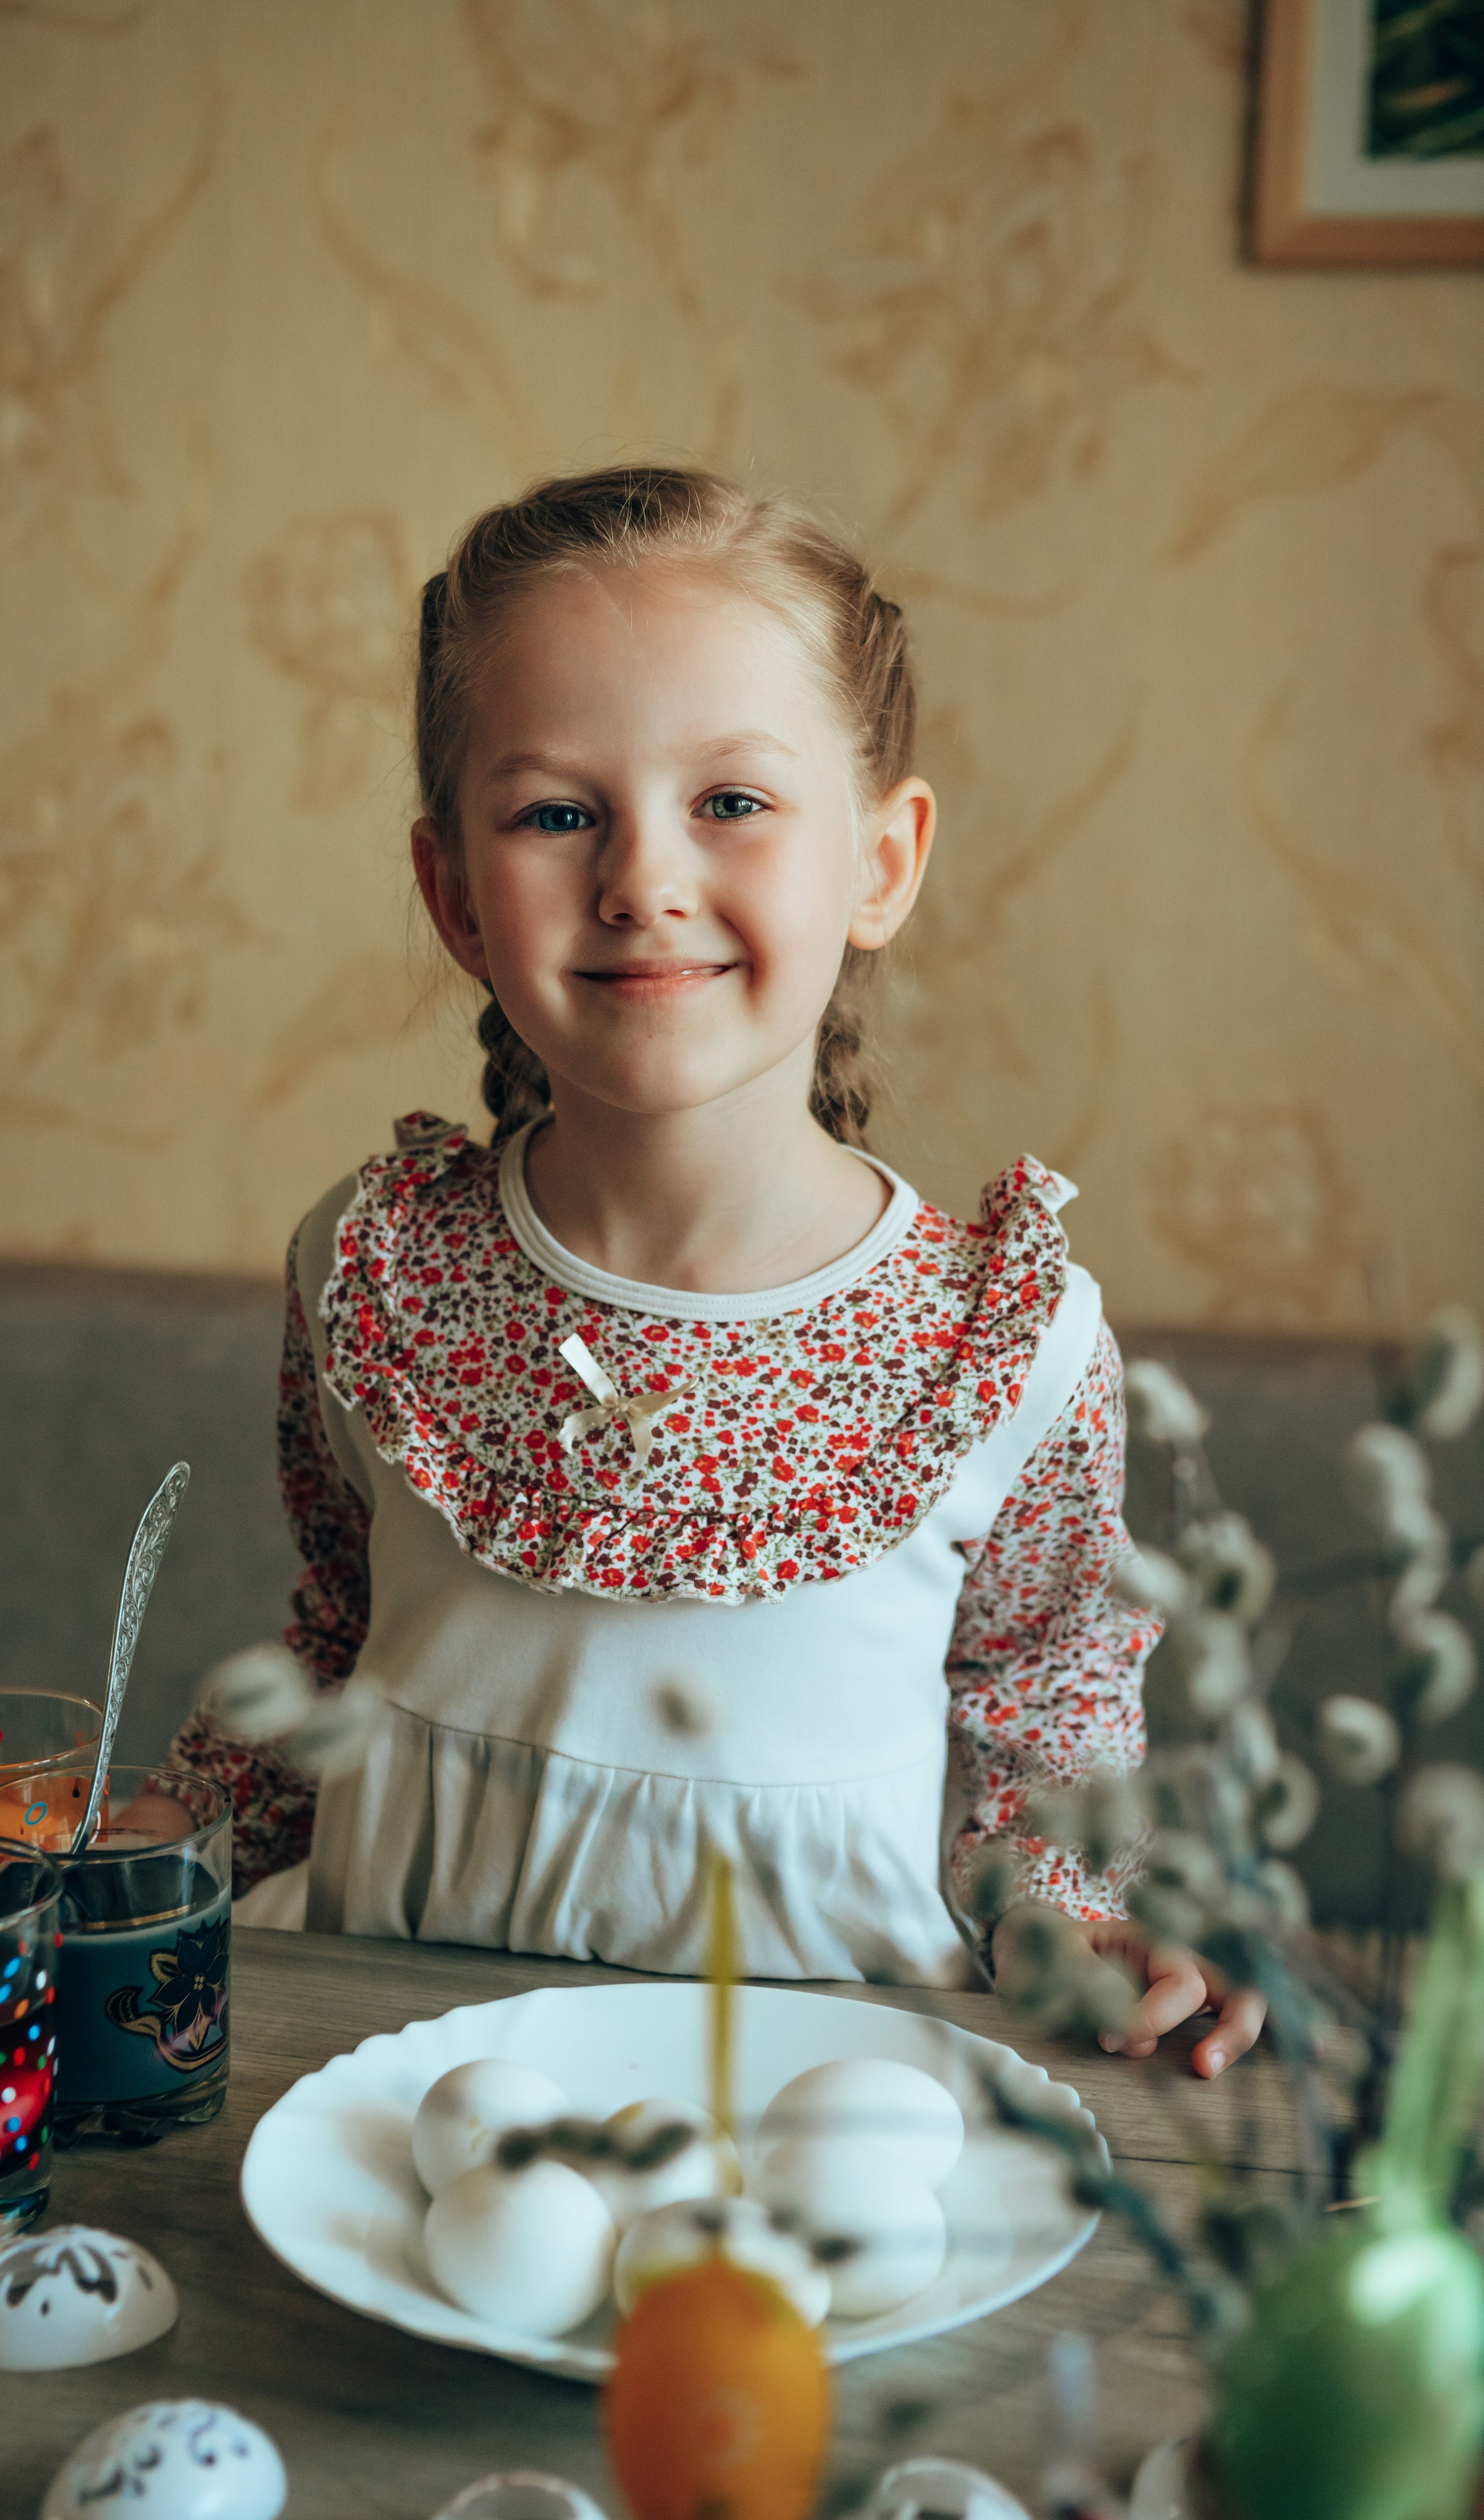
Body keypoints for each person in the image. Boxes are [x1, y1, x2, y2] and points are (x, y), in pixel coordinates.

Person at [171, 465, 1264, 2078]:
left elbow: (1034, 1717)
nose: (641, 880)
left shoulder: (1004, 1347)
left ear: (881, 862)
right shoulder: (369, 1267)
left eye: (730, 803)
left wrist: (1082, 1926)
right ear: (453, 894)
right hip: (390, 2093)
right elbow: (339, 1628)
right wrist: (177, 1819)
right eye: (556, 812)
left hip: (822, 2134)